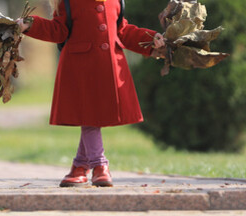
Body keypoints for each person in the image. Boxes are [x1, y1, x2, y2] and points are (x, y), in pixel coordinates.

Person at [16, 0, 165, 187]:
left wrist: (150, 39)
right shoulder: (68, 2)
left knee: (91, 117)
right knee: (90, 118)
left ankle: (79, 167)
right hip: (81, 68)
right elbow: (58, 30)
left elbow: (122, 30)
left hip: (109, 67)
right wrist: (31, 24)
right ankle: (99, 165)